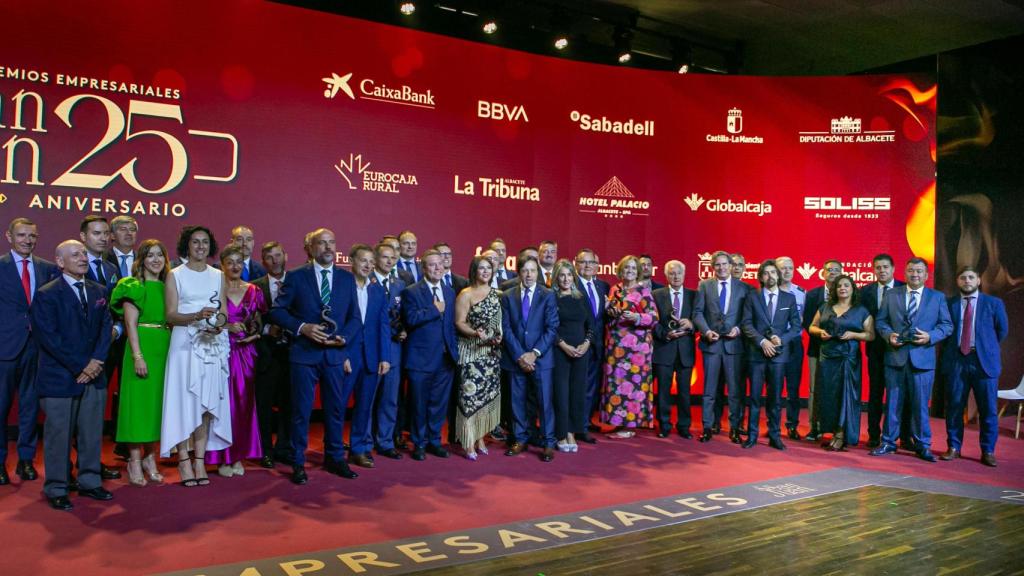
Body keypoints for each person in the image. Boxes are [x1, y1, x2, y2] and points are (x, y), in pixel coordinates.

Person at [270, 228, 361, 484]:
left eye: (332, 242)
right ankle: (298, 462)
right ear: (310, 248)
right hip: (304, 355)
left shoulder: (346, 278)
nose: (328, 247)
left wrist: (345, 337)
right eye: (322, 243)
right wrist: (303, 328)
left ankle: (335, 458)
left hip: (334, 355)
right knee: (301, 412)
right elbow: (278, 312)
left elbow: (355, 317)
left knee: (335, 410)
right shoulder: (297, 277)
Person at [32, 240, 113, 511]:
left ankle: (90, 481)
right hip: (60, 378)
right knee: (58, 436)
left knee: (91, 433)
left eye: (83, 254)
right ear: (60, 261)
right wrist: (82, 366)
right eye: (75, 254)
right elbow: (49, 338)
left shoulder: (99, 290)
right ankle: (57, 486)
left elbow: (105, 329)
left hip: (94, 375)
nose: (82, 258)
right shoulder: (47, 293)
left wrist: (97, 362)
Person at [161, 225, 232, 487]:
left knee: (205, 403)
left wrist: (217, 324)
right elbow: (170, 314)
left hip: (212, 345)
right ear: (186, 246)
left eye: (204, 242)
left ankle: (200, 460)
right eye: (195, 242)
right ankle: (183, 460)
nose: (200, 247)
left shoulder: (218, 275)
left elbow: (223, 312)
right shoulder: (175, 274)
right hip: (184, 344)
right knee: (184, 400)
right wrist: (196, 317)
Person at [871, 258, 953, 462]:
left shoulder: (937, 297)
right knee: (892, 403)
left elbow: (947, 325)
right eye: (910, 271)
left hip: (923, 360)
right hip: (895, 358)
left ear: (926, 275)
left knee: (920, 405)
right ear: (904, 273)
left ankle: (923, 445)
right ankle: (888, 442)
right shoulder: (891, 295)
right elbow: (881, 321)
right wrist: (888, 335)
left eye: (919, 271)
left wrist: (930, 336)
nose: (914, 274)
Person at [0, 218, 59, 486]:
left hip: (37, 348)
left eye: (32, 236)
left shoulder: (47, 268)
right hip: (5, 348)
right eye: (22, 235)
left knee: (30, 408)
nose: (27, 240)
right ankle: (0, 462)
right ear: (9, 236)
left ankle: (26, 460)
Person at [110, 239, 172, 486]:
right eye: (150, 255)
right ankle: (134, 459)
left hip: (164, 349)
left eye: (160, 255)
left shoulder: (168, 286)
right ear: (141, 260)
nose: (155, 260)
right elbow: (130, 325)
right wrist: (138, 356)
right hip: (142, 348)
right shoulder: (133, 286)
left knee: (156, 408)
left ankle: (150, 457)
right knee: (138, 407)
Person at [207, 245, 267, 477]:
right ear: (222, 264)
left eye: (239, 262)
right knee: (221, 404)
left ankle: (239, 455)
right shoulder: (214, 288)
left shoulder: (253, 290)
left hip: (245, 353)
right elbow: (207, 320)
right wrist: (226, 327)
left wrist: (253, 335)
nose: (234, 266)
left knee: (243, 404)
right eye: (230, 261)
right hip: (219, 350)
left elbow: (258, 323)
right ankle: (222, 457)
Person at [940, 266, 1008, 467]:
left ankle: (988, 450)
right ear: (958, 281)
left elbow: (1001, 331)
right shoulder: (949, 304)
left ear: (978, 280)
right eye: (963, 277)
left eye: (971, 277)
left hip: (983, 362)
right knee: (954, 407)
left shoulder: (994, 303)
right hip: (957, 362)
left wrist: (984, 346)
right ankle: (954, 447)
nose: (967, 281)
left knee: (988, 409)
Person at [401, 249, 459, 461]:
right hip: (421, 360)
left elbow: (451, 324)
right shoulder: (412, 292)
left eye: (441, 264)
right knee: (419, 404)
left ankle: (434, 441)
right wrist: (434, 309)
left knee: (438, 404)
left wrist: (454, 351)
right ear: (423, 268)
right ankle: (419, 443)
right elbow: (410, 319)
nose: (438, 268)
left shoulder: (449, 291)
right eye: (433, 265)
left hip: (445, 359)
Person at [501, 256, 559, 461]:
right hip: (515, 359)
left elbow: (552, 329)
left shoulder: (548, 295)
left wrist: (534, 353)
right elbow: (506, 329)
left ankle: (548, 442)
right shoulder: (507, 296)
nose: (528, 275)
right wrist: (520, 355)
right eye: (525, 270)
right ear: (519, 272)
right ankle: (520, 439)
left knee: (544, 403)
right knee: (516, 402)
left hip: (541, 359)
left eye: (532, 271)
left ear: (538, 273)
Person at [740, 260, 802, 450]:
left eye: (773, 273)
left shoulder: (789, 298)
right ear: (760, 277)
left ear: (778, 275)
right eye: (766, 273)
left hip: (779, 355)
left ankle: (775, 435)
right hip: (756, 355)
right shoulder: (752, 297)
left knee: (775, 398)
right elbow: (746, 324)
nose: (770, 276)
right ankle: (752, 435)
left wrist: (781, 339)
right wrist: (762, 341)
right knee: (755, 397)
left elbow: (797, 326)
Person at [808, 275, 874, 451]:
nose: (842, 288)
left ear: (853, 288)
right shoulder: (826, 306)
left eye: (846, 285)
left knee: (845, 397)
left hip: (848, 359)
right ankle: (831, 431)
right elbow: (811, 327)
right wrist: (820, 332)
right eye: (839, 286)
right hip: (827, 358)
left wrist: (854, 335)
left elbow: (870, 334)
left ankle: (841, 435)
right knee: (828, 396)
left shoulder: (861, 310)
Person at [695, 251, 749, 443]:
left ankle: (734, 428)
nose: (722, 268)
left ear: (731, 265)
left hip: (734, 346)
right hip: (712, 344)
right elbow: (698, 313)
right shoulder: (704, 285)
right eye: (717, 265)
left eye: (725, 264)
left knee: (734, 391)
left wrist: (739, 329)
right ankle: (707, 427)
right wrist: (706, 331)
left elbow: (747, 317)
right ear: (713, 267)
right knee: (709, 391)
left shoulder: (744, 288)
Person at [601, 255, 658, 438]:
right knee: (616, 386)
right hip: (615, 345)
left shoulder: (644, 292)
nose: (630, 271)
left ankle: (629, 426)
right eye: (627, 268)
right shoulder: (614, 289)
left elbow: (654, 318)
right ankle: (618, 423)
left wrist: (637, 318)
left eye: (634, 268)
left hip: (636, 349)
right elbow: (610, 315)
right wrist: (610, 310)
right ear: (621, 270)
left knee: (633, 387)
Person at [346, 244, 391, 469]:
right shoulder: (342, 287)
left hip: (371, 357)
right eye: (363, 261)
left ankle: (359, 449)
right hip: (347, 356)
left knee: (365, 405)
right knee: (338, 405)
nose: (368, 265)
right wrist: (341, 354)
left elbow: (383, 324)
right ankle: (333, 449)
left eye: (371, 262)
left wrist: (385, 356)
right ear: (351, 261)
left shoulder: (377, 289)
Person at [453, 255, 503, 460]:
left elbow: (501, 324)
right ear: (474, 271)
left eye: (488, 268)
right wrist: (474, 333)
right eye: (481, 268)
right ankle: (468, 440)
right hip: (471, 355)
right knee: (470, 397)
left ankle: (481, 437)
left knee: (486, 397)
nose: (485, 272)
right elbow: (459, 322)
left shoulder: (498, 294)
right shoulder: (466, 294)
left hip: (491, 356)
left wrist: (499, 337)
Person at [253, 241, 294, 468]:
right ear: (263, 261)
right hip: (266, 356)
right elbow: (249, 321)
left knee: (290, 405)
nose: (275, 260)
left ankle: (285, 448)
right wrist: (268, 329)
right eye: (270, 257)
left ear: (285, 256)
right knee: (264, 407)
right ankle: (265, 450)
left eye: (278, 255)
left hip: (292, 355)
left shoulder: (297, 282)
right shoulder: (254, 287)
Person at [859, 253, 905, 448]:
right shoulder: (865, 291)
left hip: (899, 351)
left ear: (893, 269)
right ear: (873, 270)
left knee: (898, 395)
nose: (882, 270)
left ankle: (900, 435)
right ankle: (873, 434)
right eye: (878, 267)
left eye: (885, 267)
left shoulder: (904, 288)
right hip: (875, 351)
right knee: (876, 394)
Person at [371, 241, 407, 459]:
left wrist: (403, 329)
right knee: (368, 397)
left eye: (393, 258)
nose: (389, 261)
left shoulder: (399, 284)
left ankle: (385, 441)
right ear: (376, 259)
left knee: (390, 398)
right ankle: (364, 441)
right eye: (385, 257)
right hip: (371, 347)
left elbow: (404, 314)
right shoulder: (367, 281)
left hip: (394, 347)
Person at [551, 259, 593, 452]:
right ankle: (561, 433)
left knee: (577, 393)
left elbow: (591, 325)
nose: (566, 279)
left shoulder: (581, 297)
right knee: (561, 394)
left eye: (569, 275)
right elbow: (550, 326)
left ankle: (572, 433)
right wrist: (563, 345)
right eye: (562, 275)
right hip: (560, 352)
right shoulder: (551, 298)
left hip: (581, 352)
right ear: (556, 277)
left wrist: (586, 343)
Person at [651, 260, 696, 439]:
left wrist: (692, 324)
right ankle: (664, 424)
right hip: (664, 348)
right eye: (672, 273)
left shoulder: (694, 295)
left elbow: (701, 319)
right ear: (666, 275)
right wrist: (665, 335)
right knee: (663, 391)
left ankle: (684, 426)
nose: (676, 276)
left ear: (684, 275)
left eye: (679, 273)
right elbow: (652, 322)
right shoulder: (656, 294)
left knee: (685, 391)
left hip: (685, 351)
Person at [802, 259, 843, 441]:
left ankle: (837, 428)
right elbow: (806, 322)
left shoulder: (848, 294)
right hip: (817, 348)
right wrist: (820, 334)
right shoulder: (812, 295)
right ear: (823, 273)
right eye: (829, 269)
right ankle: (814, 427)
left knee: (837, 389)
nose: (832, 272)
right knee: (814, 390)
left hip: (841, 351)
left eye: (836, 270)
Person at [574, 249, 607, 444]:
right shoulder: (572, 284)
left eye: (591, 263)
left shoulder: (603, 286)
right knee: (579, 386)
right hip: (579, 344)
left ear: (597, 266)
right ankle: (578, 426)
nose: (587, 266)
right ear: (576, 264)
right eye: (583, 262)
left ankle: (585, 420)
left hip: (598, 344)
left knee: (592, 387)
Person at [775, 256, 806, 440]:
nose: (786, 271)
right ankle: (774, 425)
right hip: (776, 343)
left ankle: (792, 426)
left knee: (793, 388)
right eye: (783, 268)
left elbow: (804, 319)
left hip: (794, 344)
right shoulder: (769, 292)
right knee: (775, 387)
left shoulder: (801, 292)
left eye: (790, 268)